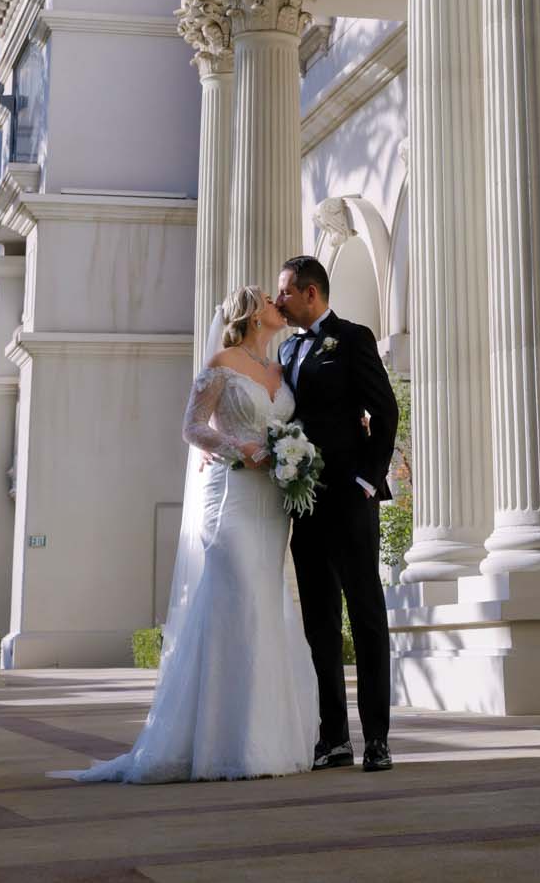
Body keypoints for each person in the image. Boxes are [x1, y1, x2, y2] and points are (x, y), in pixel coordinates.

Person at [52, 284, 317, 784]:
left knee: (266, 603)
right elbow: (192, 427)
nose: (275, 303)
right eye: (266, 298)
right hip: (232, 493)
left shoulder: (282, 371)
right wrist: (240, 448)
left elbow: (291, 424)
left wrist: (289, 453)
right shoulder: (222, 361)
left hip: (271, 502)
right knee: (234, 597)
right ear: (250, 314)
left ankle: (267, 741)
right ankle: (219, 744)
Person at [276, 253, 399, 774]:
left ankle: (377, 739)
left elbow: (384, 409)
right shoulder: (284, 349)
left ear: (311, 293)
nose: (278, 299)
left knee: (366, 615)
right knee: (320, 622)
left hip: (351, 500)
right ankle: (334, 739)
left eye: (285, 291)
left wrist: (368, 480)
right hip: (305, 505)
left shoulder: (352, 337)